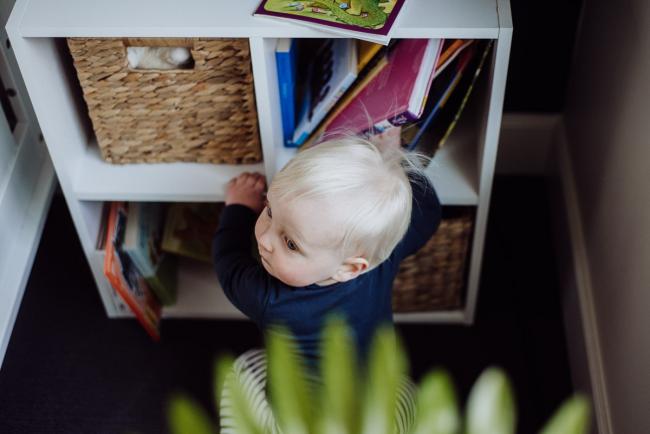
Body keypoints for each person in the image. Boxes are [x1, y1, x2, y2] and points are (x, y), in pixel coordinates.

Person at [213, 137, 441, 433]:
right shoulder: (380, 255)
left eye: (291, 243)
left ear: (350, 267)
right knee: (405, 399)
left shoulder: (270, 298)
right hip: (373, 414)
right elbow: (429, 212)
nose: (265, 240)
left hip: (295, 421)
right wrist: (392, 159)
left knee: (244, 370)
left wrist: (239, 208)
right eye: (269, 210)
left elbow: (228, 263)